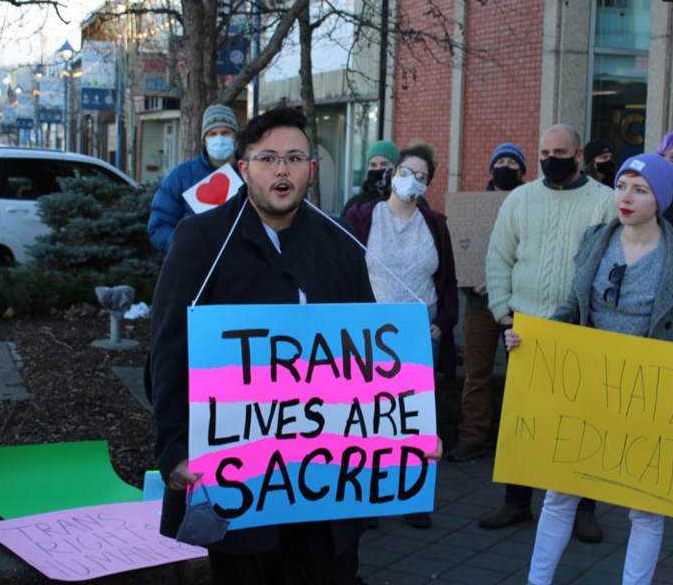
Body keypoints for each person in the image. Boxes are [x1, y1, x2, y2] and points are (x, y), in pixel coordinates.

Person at [148, 106, 375, 584]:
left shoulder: (340, 241)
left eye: (295, 158)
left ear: (311, 169)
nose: (281, 170)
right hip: (241, 478)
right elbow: (170, 349)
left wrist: (404, 440)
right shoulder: (201, 239)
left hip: (327, 478)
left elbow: (370, 356)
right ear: (242, 166)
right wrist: (172, 448)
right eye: (268, 158)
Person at [505, 152, 673, 585]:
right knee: (560, 494)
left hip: (647, 395)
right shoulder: (595, 238)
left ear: (661, 198)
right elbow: (572, 308)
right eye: (622, 186)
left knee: (645, 508)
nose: (626, 197)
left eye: (640, 190)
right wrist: (533, 341)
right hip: (587, 386)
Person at [479, 123, 614, 543]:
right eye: (544, 151)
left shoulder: (605, 202)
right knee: (523, 421)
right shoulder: (520, 200)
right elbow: (498, 258)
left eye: (559, 151)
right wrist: (503, 314)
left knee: (582, 423)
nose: (550, 158)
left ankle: (583, 509)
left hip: (580, 330)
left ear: (577, 156)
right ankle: (517, 502)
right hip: (525, 328)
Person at [344, 142, 459, 529]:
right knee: (365, 416)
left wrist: (443, 321)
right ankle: (365, 497)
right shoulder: (361, 217)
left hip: (419, 330)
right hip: (369, 332)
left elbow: (448, 281)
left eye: (421, 176)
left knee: (412, 417)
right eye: (406, 172)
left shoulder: (436, 225)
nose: (412, 181)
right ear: (393, 175)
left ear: (428, 184)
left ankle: (411, 493)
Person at [447, 142, 526, 463]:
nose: (505, 166)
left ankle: (519, 437)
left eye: (512, 161)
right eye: (500, 161)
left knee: (523, 375)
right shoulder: (472, 208)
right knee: (476, 374)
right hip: (479, 305)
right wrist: (471, 280)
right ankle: (472, 436)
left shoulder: (530, 204)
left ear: (522, 170)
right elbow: (462, 253)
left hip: (520, 305)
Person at [147, 103, 240, 253]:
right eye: (212, 134)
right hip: (195, 267)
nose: (219, 139)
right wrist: (184, 248)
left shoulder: (251, 174)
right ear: (204, 139)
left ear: (235, 136)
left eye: (225, 132)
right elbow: (159, 225)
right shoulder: (181, 176)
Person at [341, 140, 398, 215]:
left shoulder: (403, 203)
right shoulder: (356, 205)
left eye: (384, 164)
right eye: (373, 165)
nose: (378, 169)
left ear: (396, 168)